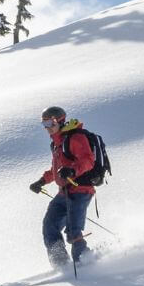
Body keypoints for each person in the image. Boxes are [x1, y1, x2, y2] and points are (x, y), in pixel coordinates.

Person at [29, 106, 101, 268]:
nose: (47, 127)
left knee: (73, 231)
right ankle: (61, 264)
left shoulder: (75, 137)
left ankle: (84, 263)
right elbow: (56, 170)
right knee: (50, 226)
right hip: (64, 192)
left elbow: (88, 160)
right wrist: (41, 181)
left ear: (60, 121)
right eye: (44, 123)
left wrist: (72, 170)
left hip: (81, 190)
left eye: (50, 122)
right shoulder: (57, 143)